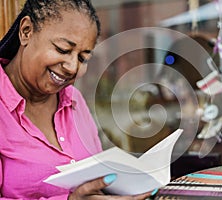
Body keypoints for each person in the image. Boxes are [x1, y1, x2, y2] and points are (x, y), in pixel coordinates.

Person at [0, 0, 155, 199]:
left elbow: (98, 177)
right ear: (26, 31)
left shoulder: (74, 101)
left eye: (83, 58)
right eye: (63, 50)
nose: (73, 67)